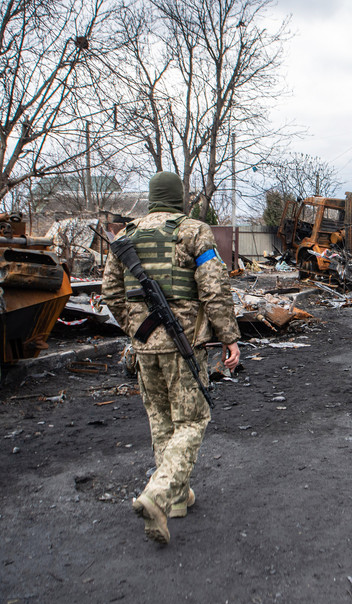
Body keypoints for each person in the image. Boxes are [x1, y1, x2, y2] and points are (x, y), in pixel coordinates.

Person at [102, 170, 241, 545]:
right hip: (184, 344)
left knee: (162, 419)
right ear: (180, 198)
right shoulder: (193, 231)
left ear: (151, 197)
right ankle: (158, 495)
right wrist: (229, 337)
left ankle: (176, 499)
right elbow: (214, 288)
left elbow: (111, 293)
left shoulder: (125, 236)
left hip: (144, 345)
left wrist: (134, 327)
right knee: (193, 419)